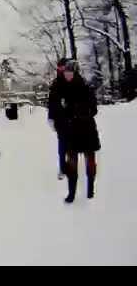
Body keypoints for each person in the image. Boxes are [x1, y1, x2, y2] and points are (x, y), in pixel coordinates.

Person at [47, 59, 101, 203]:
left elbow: (93, 109)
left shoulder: (84, 87)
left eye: (70, 73)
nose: (68, 75)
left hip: (87, 129)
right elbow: (55, 106)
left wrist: (78, 111)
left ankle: (90, 189)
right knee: (72, 163)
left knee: (90, 161)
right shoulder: (60, 88)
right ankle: (71, 192)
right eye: (66, 73)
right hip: (70, 132)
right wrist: (57, 117)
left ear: (75, 73)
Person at [48, 58, 69, 180]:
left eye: (64, 67)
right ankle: (62, 168)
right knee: (62, 145)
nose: (62, 69)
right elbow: (51, 102)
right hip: (60, 120)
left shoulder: (73, 80)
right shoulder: (55, 84)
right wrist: (50, 118)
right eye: (60, 67)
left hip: (72, 118)